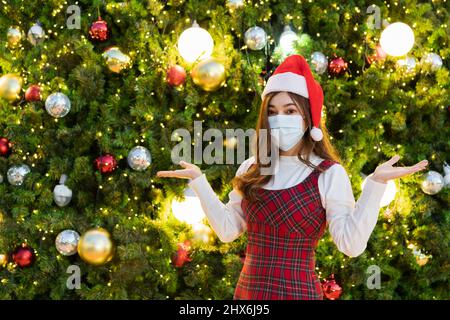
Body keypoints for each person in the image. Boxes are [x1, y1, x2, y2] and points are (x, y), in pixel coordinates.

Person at [157, 54, 428, 300]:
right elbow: (228, 231)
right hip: (248, 296)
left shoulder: (328, 173)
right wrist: (199, 181)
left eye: (290, 111)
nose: (279, 119)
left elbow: (351, 244)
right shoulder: (252, 168)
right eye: (272, 112)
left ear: (308, 117)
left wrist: (375, 185)